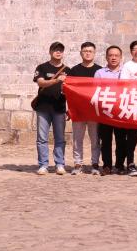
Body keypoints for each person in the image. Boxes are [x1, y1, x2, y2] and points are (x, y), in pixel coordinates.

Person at [33, 42, 68, 175]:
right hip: (43, 108)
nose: (58, 52)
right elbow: (40, 82)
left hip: (59, 108)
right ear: (50, 52)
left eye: (60, 50)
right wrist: (57, 80)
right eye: (55, 50)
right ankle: (43, 165)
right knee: (42, 138)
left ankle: (60, 164)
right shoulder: (42, 67)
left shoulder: (67, 70)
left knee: (60, 138)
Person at [68, 41, 102, 175]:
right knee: (77, 139)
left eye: (90, 51)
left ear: (94, 53)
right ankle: (78, 163)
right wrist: (69, 108)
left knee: (95, 139)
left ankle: (95, 163)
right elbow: (69, 92)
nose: (88, 53)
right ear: (81, 53)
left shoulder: (100, 71)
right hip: (78, 110)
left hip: (95, 111)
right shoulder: (74, 70)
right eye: (85, 51)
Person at [119, 40, 137, 176]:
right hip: (131, 104)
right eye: (134, 49)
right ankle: (130, 163)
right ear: (131, 51)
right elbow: (123, 85)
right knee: (131, 137)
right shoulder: (127, 66)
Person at [94, 45, 123, 176]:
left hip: (121, 111)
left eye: (116, 55)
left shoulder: (125, 72)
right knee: (105, 140)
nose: (113, 58)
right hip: (105, 111)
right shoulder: (100, 73)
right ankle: (107, 165)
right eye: (111, 55)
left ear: (121, 57)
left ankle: (120, 165)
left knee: (121, 140)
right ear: (106, 57)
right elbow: (95, 90)